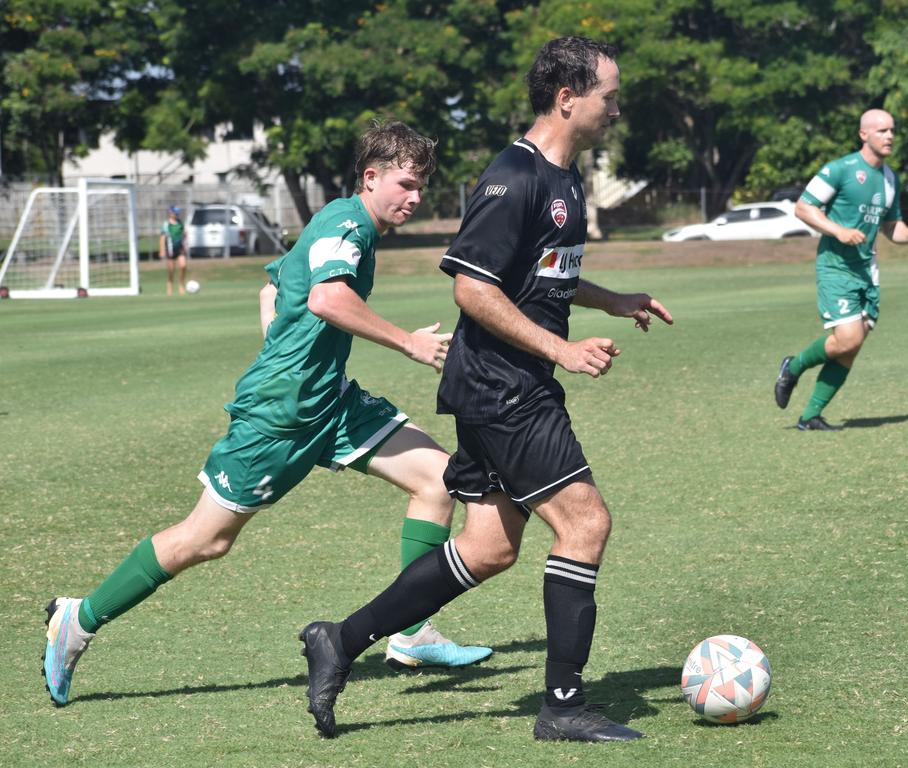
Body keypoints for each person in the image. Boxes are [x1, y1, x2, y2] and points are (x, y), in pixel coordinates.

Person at [41, 121, 493, 710]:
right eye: (405, 184)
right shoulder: (348, 223)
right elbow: (326, 298)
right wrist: (405, 343)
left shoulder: (345, 222)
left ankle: (409, 631)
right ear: (371, 176)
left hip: (327, 401)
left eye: (422, 188)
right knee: (206, 540)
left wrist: (289, 358)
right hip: (278, 419)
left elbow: (272, 288)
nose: (414, 197)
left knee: (437, 480)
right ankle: (78, 619)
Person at [299, 37, 673, 743]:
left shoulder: (565, 181)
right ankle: (563, 705)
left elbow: (543, 276)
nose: (616, 109)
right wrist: (562, 347)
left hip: (506, 381)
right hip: (502, 385)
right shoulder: (513, 175)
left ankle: (339, 640)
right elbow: (473, 288)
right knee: (585, 522)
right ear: (568, 99)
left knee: (491, 545)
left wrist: (613, 298)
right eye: (609, 96)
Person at [774, 108, 908, 431]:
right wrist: (838, 231)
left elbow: (891, 228)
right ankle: (794, 366)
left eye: (892, 130)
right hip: (835, 266)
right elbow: (804, 207)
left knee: (851, 348)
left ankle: (809, 416)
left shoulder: (890, 179)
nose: (889, 136)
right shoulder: (840, 169)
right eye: (882, 130)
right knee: (848, 338)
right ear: (864, 134)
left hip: (867, 271)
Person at [160, 206, 189, 295]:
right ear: (171, 213)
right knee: (171, 269)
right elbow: (162, 237)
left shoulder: (180, 223)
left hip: (180, 248)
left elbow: (184, 234)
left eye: (177, 213)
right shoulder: (166, 224)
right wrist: (162, 250)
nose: (177, 214)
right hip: (170, 249)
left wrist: (186, 245)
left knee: (183, 265)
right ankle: (170, 284)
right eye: (175, 213)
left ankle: (181, 284)